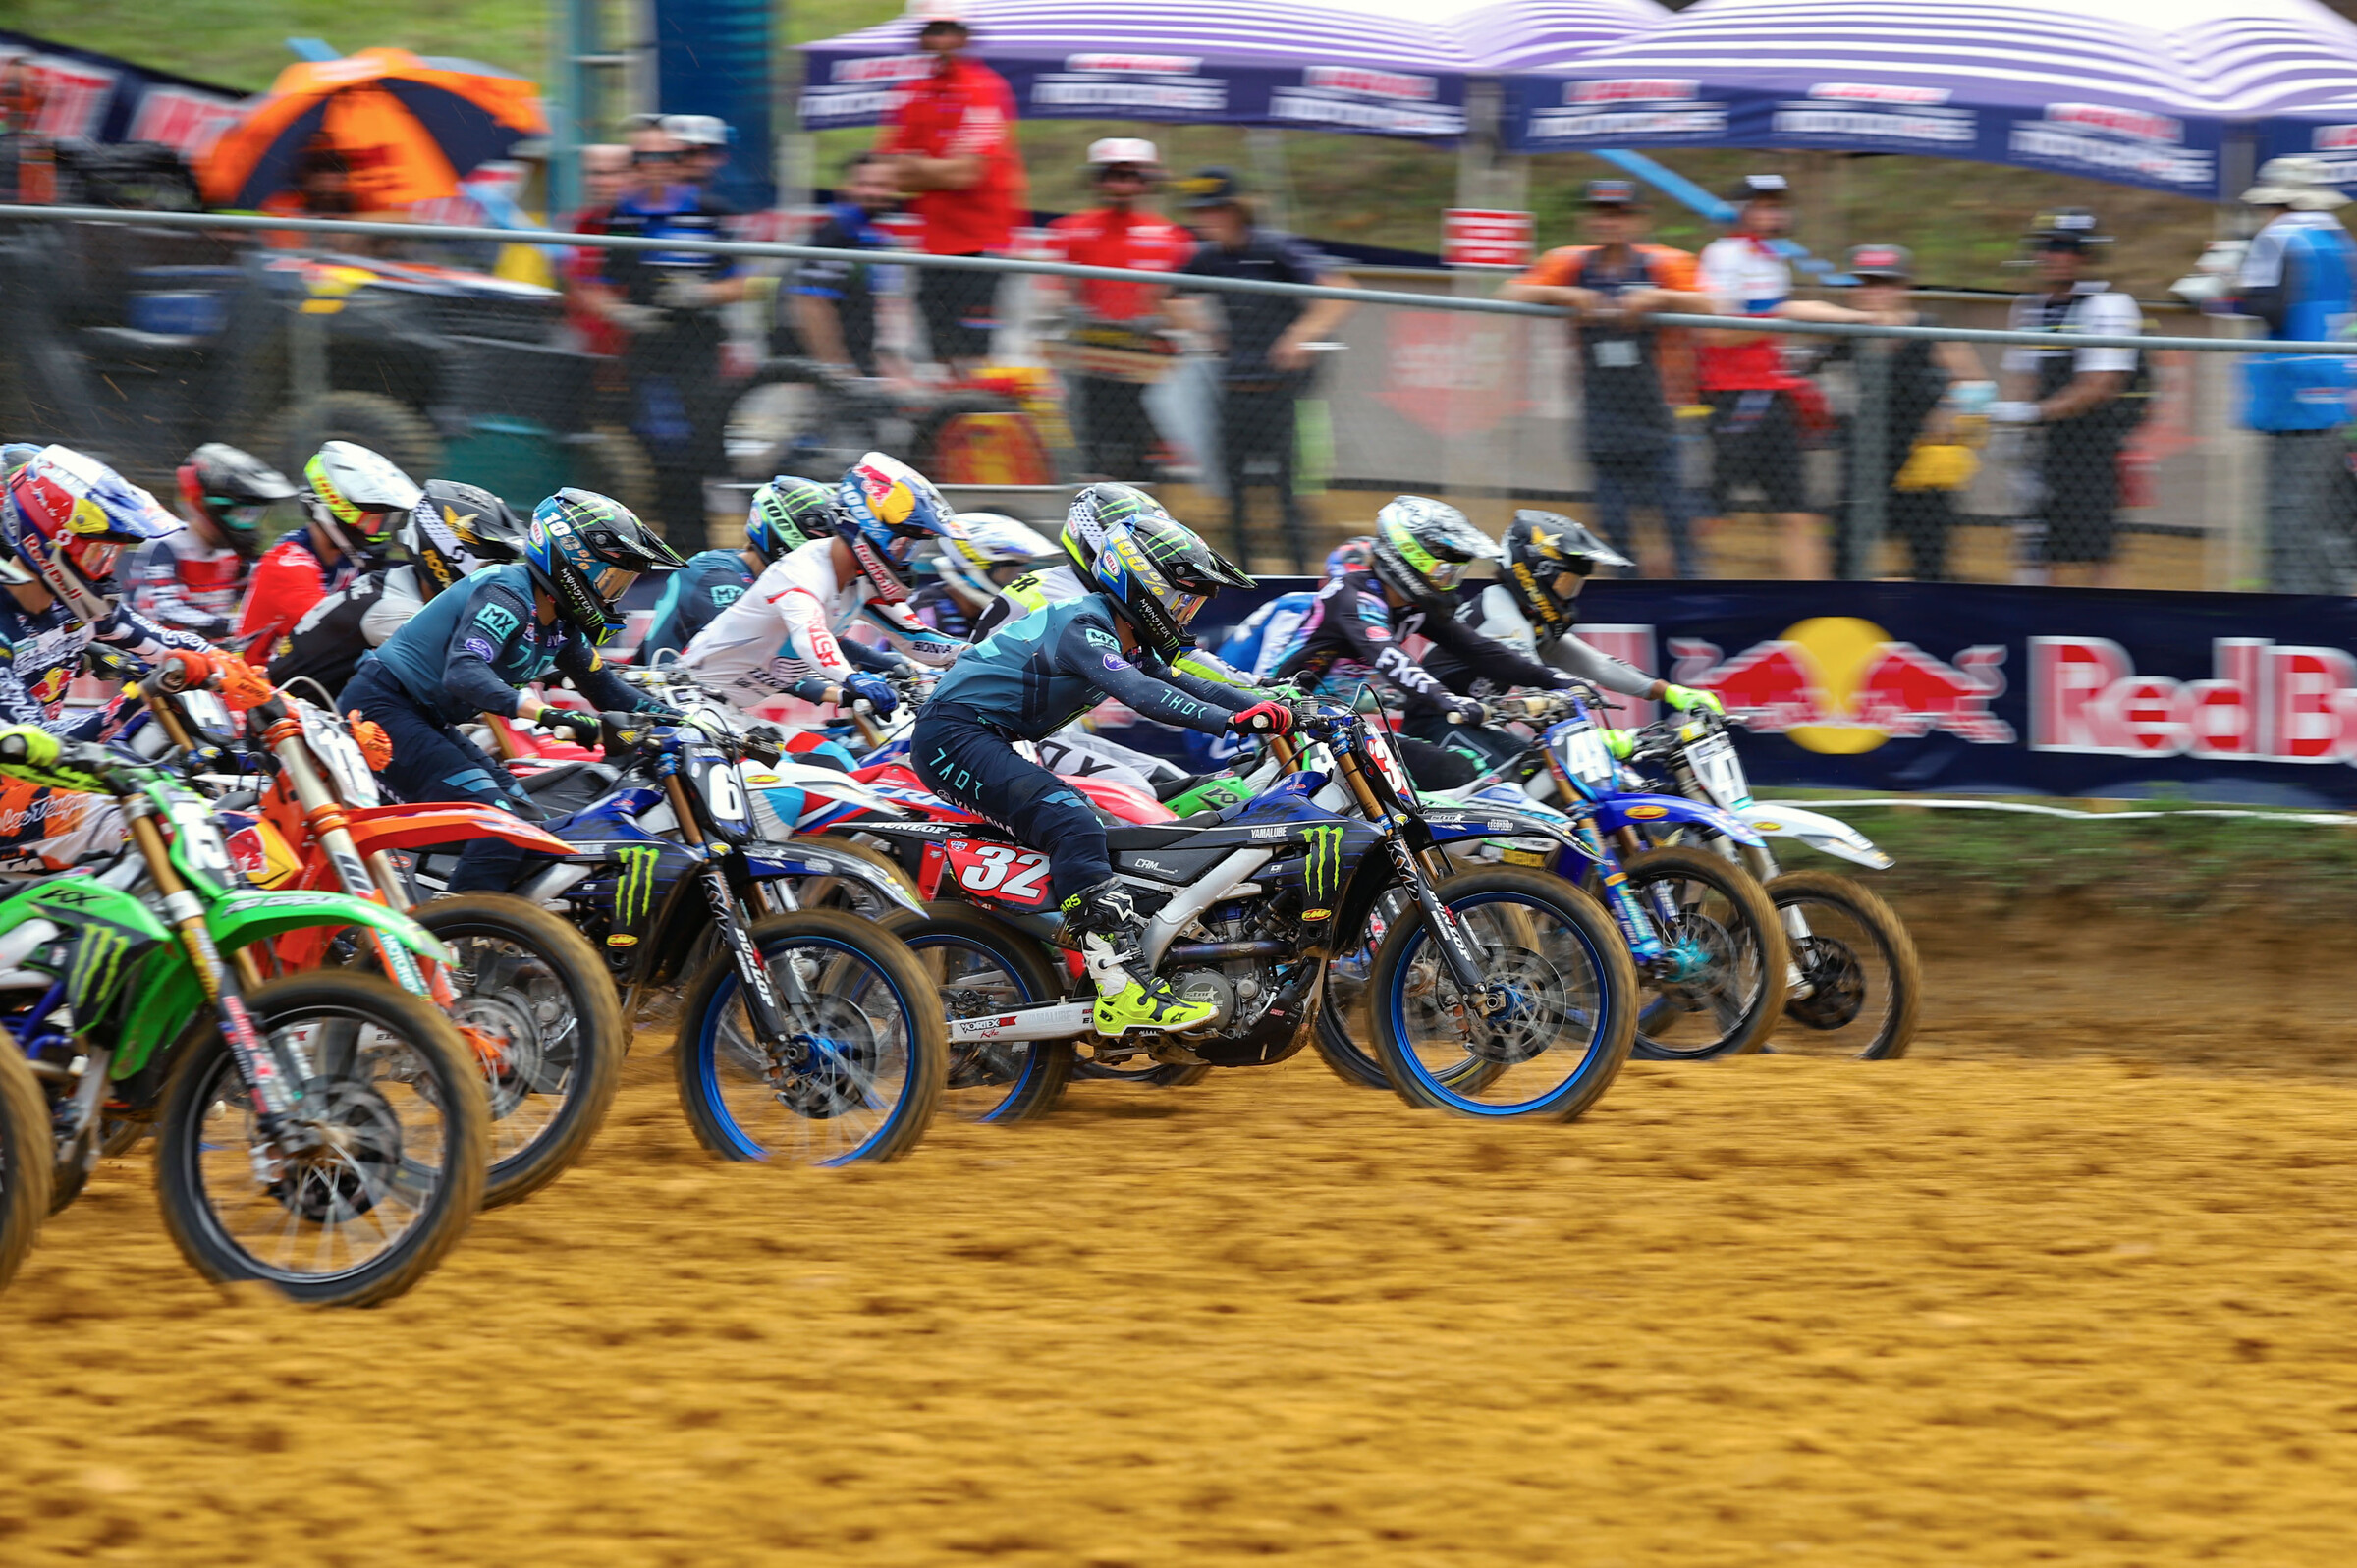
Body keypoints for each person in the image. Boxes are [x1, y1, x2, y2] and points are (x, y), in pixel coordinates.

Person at [914, 509, 1267, 1034]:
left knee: (1107, 831)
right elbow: (1144, 694)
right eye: (1182, 600)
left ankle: (1092, 959)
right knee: (1072, 821)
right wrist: (1233, 721)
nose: (1186, 615)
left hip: (986, 735)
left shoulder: (1123, 634)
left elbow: (1191, 684)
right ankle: (1120, 990)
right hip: (953, 735)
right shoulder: (1085, 624)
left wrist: (1281, 708)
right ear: (1142, 586)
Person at [342, 489, 685, 892]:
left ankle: (487, 916)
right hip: (382, 706)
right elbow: (464, 672)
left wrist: (693, 726)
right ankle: (461, 926)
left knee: (528, 824)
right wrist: (547, 713)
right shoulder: (508, 593)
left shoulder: (561, 623)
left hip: (424, 716)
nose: (615, 594)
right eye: (610, 579)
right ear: (573, 561)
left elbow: (606, 689)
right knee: (500, 826)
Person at [1268, 498, 1587, 788]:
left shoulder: (1411, 605)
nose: (1449, 582)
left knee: (1494, 766)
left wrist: (1555, 679)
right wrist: (1448, 700)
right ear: (1411, 558)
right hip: (1289, 727)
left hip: (1337, 727)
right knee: (1453, 772)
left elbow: (1480, 650)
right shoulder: (1352, 595)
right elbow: (1389, 656)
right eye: (1444, 571)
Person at [0, 446, 211, 871]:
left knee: (192, 796)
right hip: (18, 779)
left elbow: (169, 643)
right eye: (97, 554)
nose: (106, 570)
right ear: (45, 543)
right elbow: (39, 744)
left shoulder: (73, 607)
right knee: (147, 816)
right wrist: (143, 693)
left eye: (111, 556)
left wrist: (246, 679)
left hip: (32, 779)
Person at [1504, 180, 1712, 579]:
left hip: (1658, 415)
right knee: (1614, 522)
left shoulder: (1662, 264)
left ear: (1640, 219)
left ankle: (1689, 589)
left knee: (1676, 519)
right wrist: (1567, 296)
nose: (1610, 221)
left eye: (1620, 213)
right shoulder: (1571, 263)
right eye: (1601, 213)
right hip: (1600, 415)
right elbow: (1509, 294)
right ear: (1587, 219)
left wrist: (1658, 298)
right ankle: (1627, 594)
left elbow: (1711, 304)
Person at [1170, 170, 1357, 573]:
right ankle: (1241, 575)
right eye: (1199, 212)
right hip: (1234, 392)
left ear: (1236, 210)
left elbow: (1340, 291)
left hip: (1280, 393)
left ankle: (1299, 576)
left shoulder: (1274, 248)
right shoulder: (1210, 257)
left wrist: (1299, 335)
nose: (1205, 220)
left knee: (1288, 495)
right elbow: (1163, 294)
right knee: (1235, 497)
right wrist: (1204, 330)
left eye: (1214, 210)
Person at [679, 453, 966, 715]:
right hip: (687, 699)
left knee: (834, 756)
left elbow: (915, 637)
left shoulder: (860, 579)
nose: (905, 558)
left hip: (730, 712)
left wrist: (979, 656)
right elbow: (811, 635)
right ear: (869, 529)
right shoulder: (800, 570)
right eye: (902, 545)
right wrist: (850, 678)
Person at [601, 127, 747, 551]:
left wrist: (701, 294)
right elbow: (604, 280)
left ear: (680, 162)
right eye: (644, 158)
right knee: (656, 441)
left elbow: (744, 281)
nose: (655, 167)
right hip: (647, 344)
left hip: (698, 344)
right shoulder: (622, 217)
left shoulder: (710, 212)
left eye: (665, 157)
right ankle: (665, 538)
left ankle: (695, 541)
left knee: (699, 441)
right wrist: (623, 313)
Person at [1444, 511, 1723, 723]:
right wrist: (1604, 740)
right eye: (1565, 583)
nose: (1570, 595)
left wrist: (1672, 692)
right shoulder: (1501, 615)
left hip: (1469, 722)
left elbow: (1596, 665)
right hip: (1441, 723)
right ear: (1533, 573)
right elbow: (1541, 690)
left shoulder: (1526, 616)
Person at [1993, 209, 2147, 588]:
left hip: (2092, 447)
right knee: (2036, 546)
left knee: (2095, 552)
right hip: (2044, 446)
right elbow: (2023, 373)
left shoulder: (2109, 305)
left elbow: (2100, 384)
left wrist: (2030, 414)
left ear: (2087, 255)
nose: (2051, 256)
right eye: (2046, 247)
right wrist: (2012, 429)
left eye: (2064, 248)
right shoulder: (2031, 307)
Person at [2224, 157, 2357, 594]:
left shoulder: (2279, 237)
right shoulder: (2340, 240)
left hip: (2292, 393)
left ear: (2278, 203)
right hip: (2336, 391)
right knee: (2327, 522)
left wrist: (2226, 289)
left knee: (2288, 519)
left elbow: (2269, 307)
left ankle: (2292, 616)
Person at [1821, 245, 1993, 581]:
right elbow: (1797, 317)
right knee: (1846, 551)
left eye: (1884, 283)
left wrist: (1947, 412)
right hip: (1866, 459)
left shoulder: (1929, 331)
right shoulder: (1847, 333)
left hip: (1921, 460)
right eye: (1865, 283)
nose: (1873, 292)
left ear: (1903, 287)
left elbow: (1978, 387)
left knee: (1929, 557)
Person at [876, 0, 1026, 378]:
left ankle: (973, 412)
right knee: (941, 356)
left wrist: (919, 165)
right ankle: (951, 415)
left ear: (964, 36)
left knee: (976, 359)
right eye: (931, 31)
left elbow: (967, 174)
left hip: (983, 244)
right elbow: (891, 174)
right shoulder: (911, 91)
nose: (939, 39)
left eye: (946, 30)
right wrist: (938, 168)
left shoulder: (985, 87)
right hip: (933, 245)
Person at [1694, 174, 1826, 578]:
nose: (1774, 213)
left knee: (1797, 514)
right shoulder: (1723, 255)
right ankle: (1656, 583)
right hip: (1734, 394)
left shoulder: (1772, 258)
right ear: (1742, 210)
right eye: (1764, 205)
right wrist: (1780, 318)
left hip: (1772, 393)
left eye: (1777, 205)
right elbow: (1715, 333)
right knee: (1710, 516)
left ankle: (1818, 605)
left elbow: (1768, 328)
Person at [269, 480, 513, 696]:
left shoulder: (398, 582)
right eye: (489, 566)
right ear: (451, 555)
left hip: (316, 712)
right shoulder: (396, 609)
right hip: (286, 717)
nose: (500, 579)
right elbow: (469, 674)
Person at [1044, 139, 1193, 480]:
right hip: (1089, 351)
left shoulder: (1172, 237)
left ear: (1146, 182)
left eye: (1131, 176)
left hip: (1147, 354)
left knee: (1143, 438)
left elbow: (1178, 303)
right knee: (1089, 435)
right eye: (1113, 175)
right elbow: (1056, 293)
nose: (1122, 185)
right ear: (1097, 180)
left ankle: (1144, 491)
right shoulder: (1070, 230)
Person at [236, 442, 419, 665]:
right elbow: (333, 630)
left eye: (383, 522)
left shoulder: (347, 557)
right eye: (369, 521)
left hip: (305, 675)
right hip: (259, 679)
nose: (376, 533)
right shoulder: (287, 565)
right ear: (333, 509)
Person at [638, 476, 834, 662]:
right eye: (822, 542)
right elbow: (755, 650)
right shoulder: (716, 575)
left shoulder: (778, 580)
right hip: (670, 683)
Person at [129, 443, 298, 641]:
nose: (247, 523)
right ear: (205, 505)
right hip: (160, 653)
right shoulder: (166, 544)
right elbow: (163, 609)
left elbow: (267, 595)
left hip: (216, 653)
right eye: (240, 513)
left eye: (253, 514)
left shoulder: (234, 555)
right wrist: (232, 625)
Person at [789, 151, 906, 379]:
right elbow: (811, 304)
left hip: (859, 360)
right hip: (828, 369)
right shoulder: (837, 231)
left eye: (881, 185)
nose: (872, 192)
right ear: (846, 187)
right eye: (864, 184)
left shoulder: (873, 233)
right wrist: (837, 368)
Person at [918, 513, 1055, 638]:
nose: (1017, 580)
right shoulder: (926, 613)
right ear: (972, 567)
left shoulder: (1011, 615)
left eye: (1020, 569)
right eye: (1009, 569)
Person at [561, 143, 634, 359]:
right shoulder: (582, 222)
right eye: (592, 173)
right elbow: (578, 284)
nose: (597, 182)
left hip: (633, 352)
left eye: (609, 174)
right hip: (585, 349)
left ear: (633, 175)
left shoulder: (643, 223)